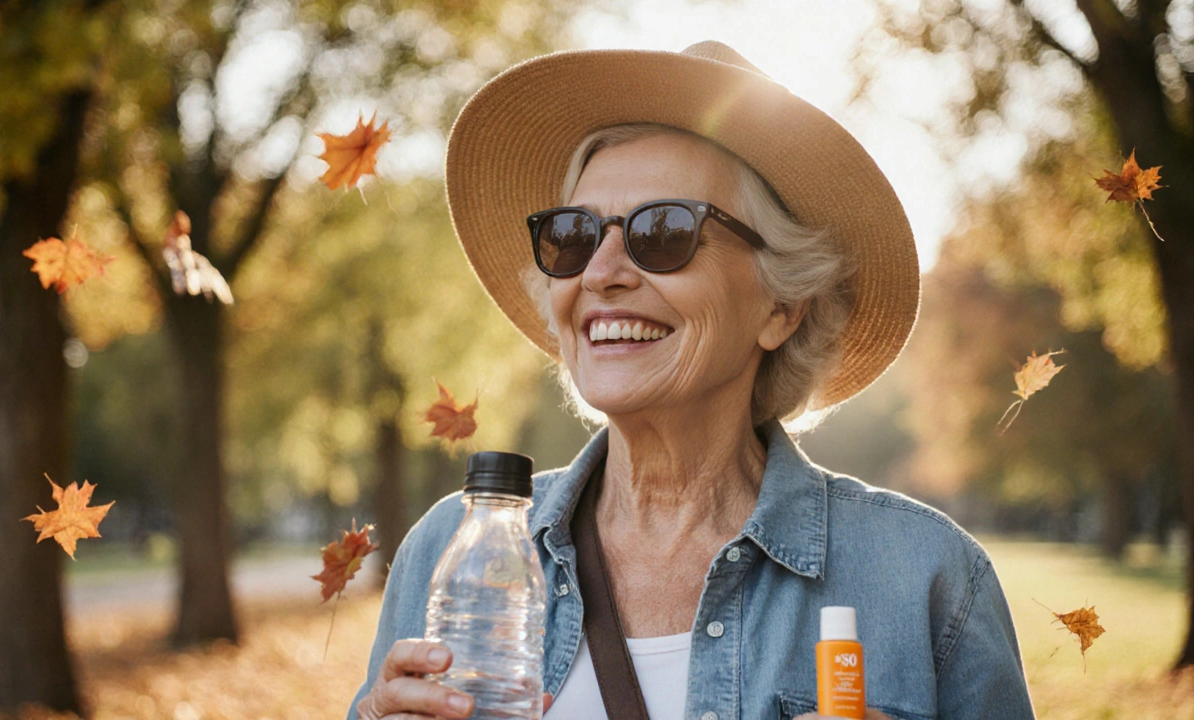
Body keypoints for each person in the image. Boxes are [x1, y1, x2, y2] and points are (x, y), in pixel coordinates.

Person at [348, 41, 1037, 720]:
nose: (601, 272)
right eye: (575, 234)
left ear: (780, 307)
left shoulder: (927, 578)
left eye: (664, 231)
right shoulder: (449, 549)